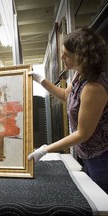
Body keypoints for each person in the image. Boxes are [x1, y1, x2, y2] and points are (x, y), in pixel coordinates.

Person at [28, 27, 108, 193]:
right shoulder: (81, 74)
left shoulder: (94, 87)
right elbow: (65, 95)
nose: (62, 57)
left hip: (101, 158)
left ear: (81, 57)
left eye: (66, 54)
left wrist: (45, 149)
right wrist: (41, 80)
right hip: (88, 154)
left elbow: (82, 133)